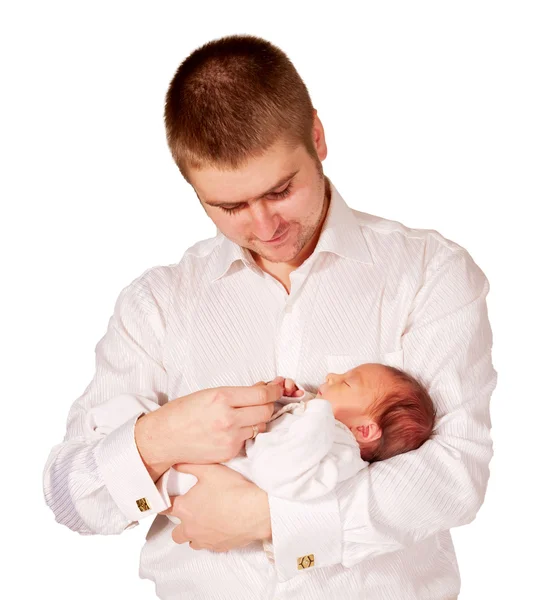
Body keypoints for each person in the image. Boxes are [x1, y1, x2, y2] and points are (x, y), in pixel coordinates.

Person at [42, 33, 498, 600]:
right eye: (229, 207)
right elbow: (70, 497)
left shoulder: (430, 273)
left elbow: (454, 477)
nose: (263, 227)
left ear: (317, 135)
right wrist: (160, 437)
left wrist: (268, 518)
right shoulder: (154, 306)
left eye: (280, 191)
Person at [83, 363, 436, 566]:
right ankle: (114, 440)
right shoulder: (326, 434)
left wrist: (314, 410)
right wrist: (282, 398)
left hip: (209, 486)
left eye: (345, 382)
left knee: (141, 425)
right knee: (147, 422)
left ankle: (109, 436)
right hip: (220, 469)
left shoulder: (338, 444)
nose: (330, 377)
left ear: (365, 429)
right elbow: (285, 442)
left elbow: (276, 471)